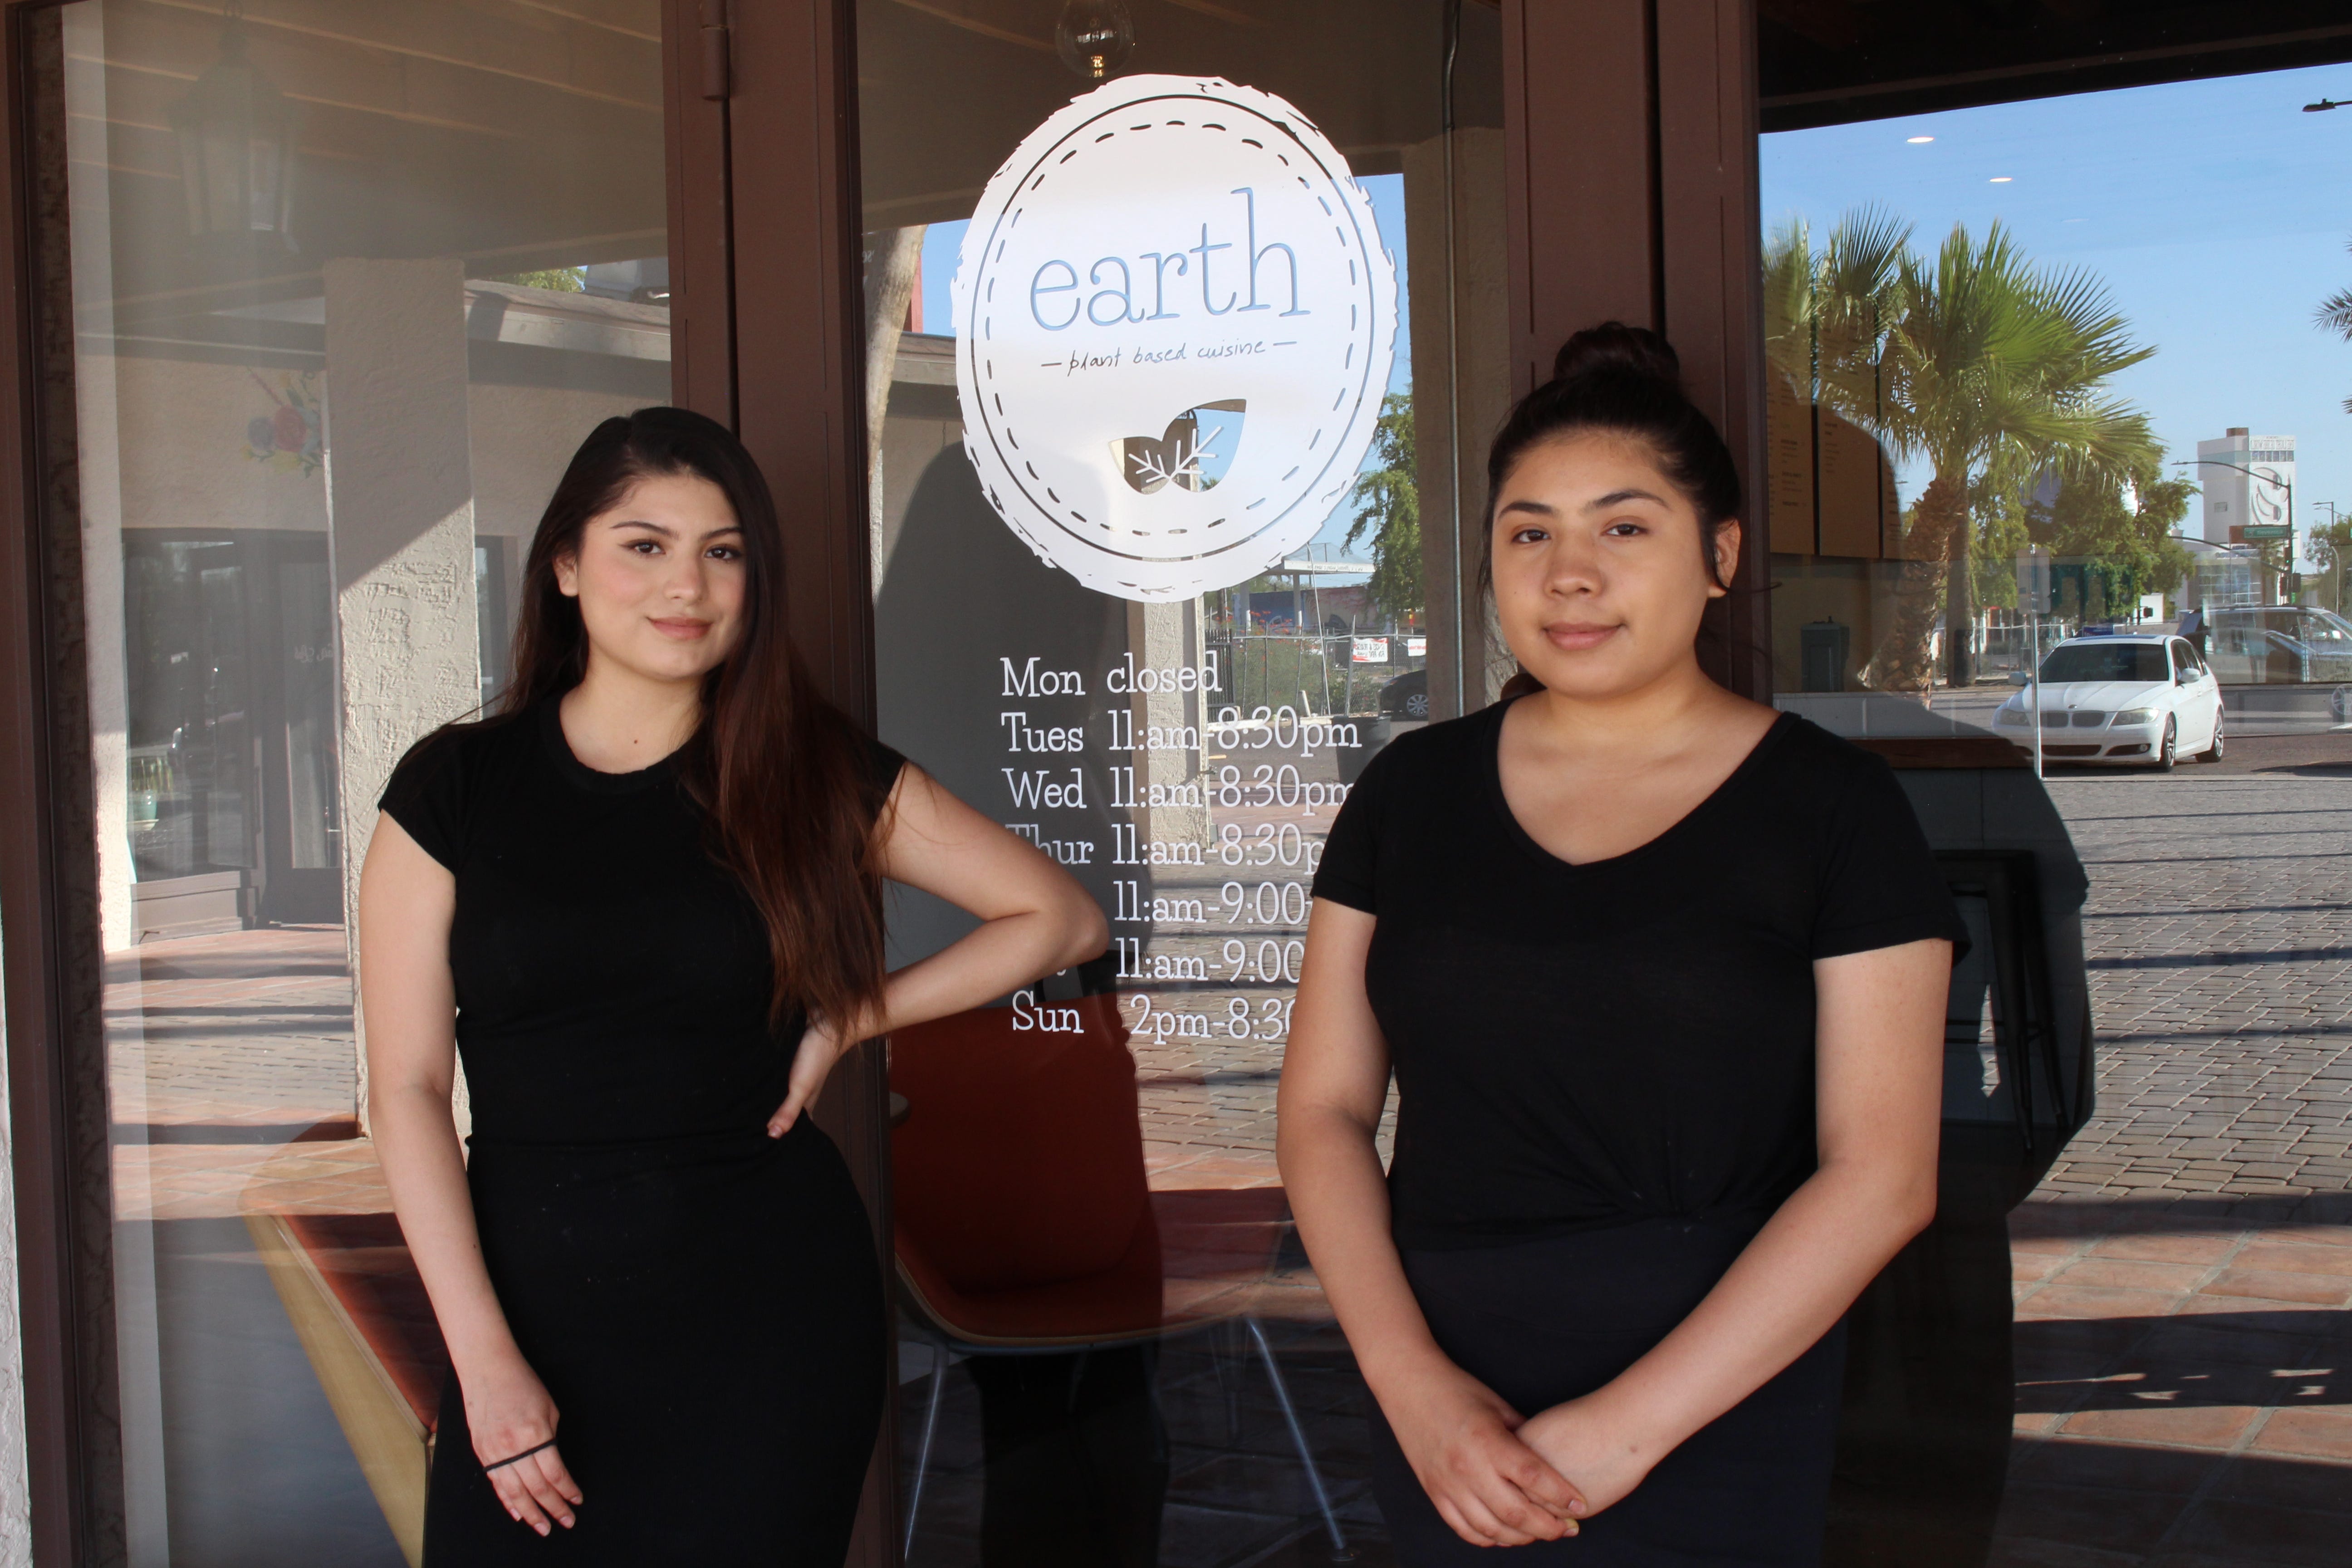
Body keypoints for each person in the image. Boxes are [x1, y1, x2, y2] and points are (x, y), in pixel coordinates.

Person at [360, 407, 1106, 1566]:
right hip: (527, 1312)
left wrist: (851, 1018)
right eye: (644, 546)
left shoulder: (810, 775)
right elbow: (406, 1090)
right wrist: (485, 1362)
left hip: (765, 1321)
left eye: (723, 551)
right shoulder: (453, 788)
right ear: (565, 565)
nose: (689, 586)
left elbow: (1058, 917)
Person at [1276, 323, 1964, 1565]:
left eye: (1625, 527)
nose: (1570, 576)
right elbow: (1323, 1111)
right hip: (1446, 1405)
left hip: (1721, 1387)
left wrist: (1624, 1434)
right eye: (1529, 534)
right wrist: (1410, 1385)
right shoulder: (1408, 793)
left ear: (1721, 555)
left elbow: (1883, 1176)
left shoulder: (1835, 808)